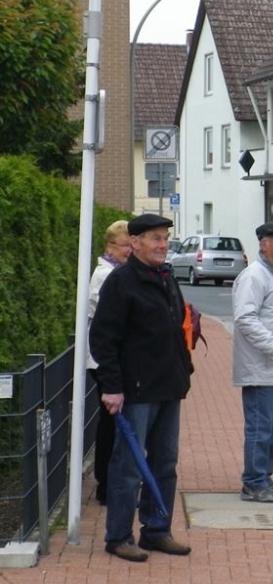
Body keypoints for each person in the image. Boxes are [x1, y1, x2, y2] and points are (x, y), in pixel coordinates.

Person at [90, 214, 193, 562]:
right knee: (128, 466)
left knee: (165, 462)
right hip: (134, 391)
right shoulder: (121, 283)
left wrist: (184, 371)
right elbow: (103, 339)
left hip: (168, 386)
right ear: (134, 243)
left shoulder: (166, 277)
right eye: (154, 238)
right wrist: (112, 387)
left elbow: (175, 328)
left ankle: (157, 531)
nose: (162, 244)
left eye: (164, 238)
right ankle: (119, 536)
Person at [232, 222, 273, 504]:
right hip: (260, 368)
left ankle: (264, 478)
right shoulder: (254, 276)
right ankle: (254, 482)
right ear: (263, 244)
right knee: (260, 427)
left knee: (271, 428)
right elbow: (245, 318)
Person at [87, 219, 131, 506]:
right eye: (124, 245)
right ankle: (106, 483)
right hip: (102, 359)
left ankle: (110, 481)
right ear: (109, 247)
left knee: (113, 422)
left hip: (108, 357)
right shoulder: (105, 275)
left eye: (131, 245)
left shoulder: (116, 272)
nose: (128, 250)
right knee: (111, 423)